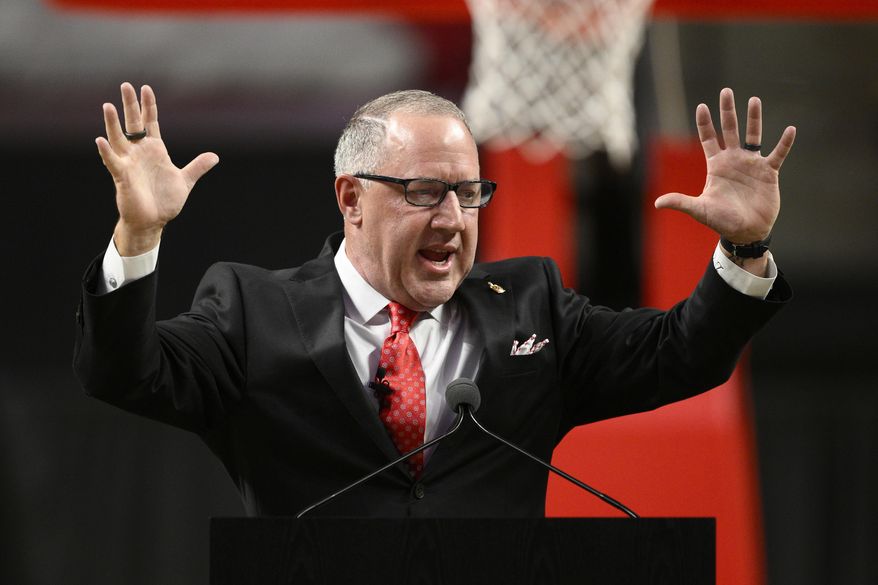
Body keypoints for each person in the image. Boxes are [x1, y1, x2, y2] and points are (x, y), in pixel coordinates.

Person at [74, 82, 795, 517]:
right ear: (350, 198)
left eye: (469, 192)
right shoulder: (251, 310)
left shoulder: (532, 307)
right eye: (424, 192)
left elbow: (681, 354)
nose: (453, 218)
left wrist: (744, 248)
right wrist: (138, 234)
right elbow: (125, 373)